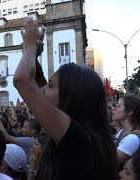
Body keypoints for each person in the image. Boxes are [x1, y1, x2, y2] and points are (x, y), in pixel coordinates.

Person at [13, 17, 118, 179]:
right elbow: (39, 86)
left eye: (50, 85)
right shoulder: (88, 135)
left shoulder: (77, 137)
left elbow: (21, 80)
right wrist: (33, 56)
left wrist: (30, 48)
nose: (43, 90)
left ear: (71, 96)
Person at [112, 95, 140, 167]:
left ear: (129, 112)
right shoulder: (122, 131)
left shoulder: (132, 138)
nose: (113, 109)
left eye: (118, 106)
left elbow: (110, 162)